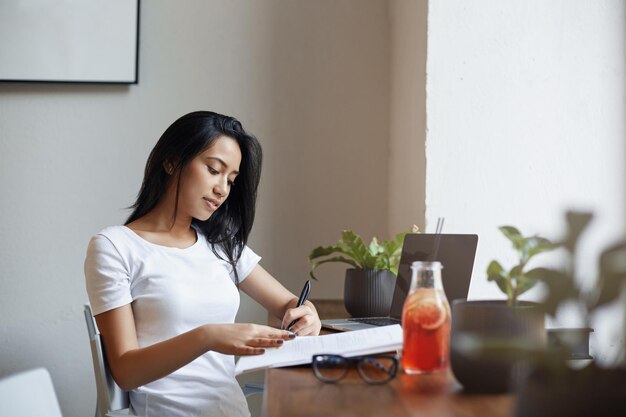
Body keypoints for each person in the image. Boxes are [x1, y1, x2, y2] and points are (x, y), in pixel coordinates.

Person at [84, 111, 321, 417]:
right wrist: (208, 337)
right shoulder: (115, 246)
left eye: (231, 180)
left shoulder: (221, 243)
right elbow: (127, 371)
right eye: (213, 170)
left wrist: (309, 314)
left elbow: (289, 303)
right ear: (171, 162)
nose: (223, 188)